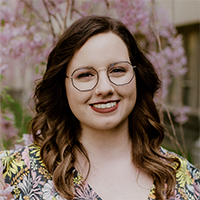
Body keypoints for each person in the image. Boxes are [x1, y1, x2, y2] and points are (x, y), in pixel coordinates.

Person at [0, 15, 200, 200]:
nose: (105, 88)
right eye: (85, 75)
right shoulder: (11, 176)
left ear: (137, 78)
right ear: (63, 87)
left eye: (118, 70)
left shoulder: (187, 182)